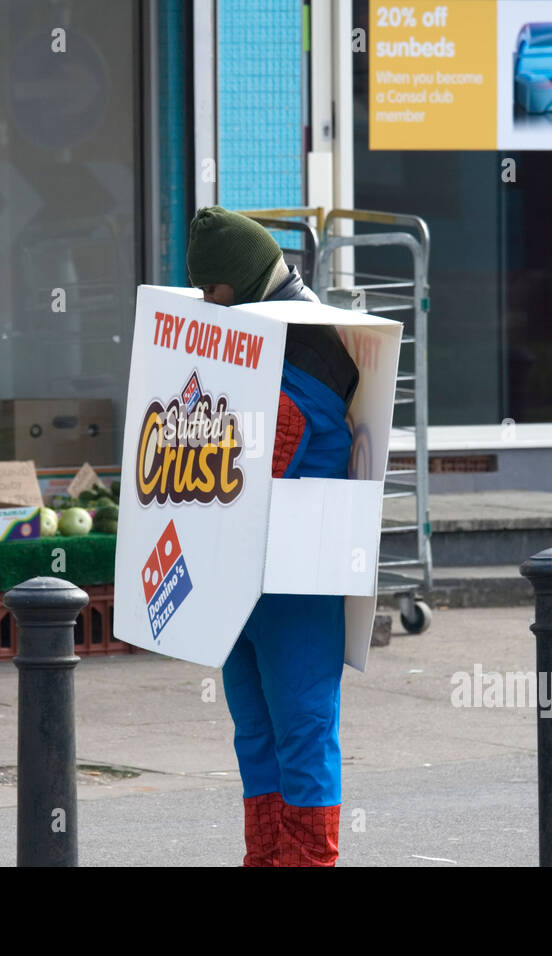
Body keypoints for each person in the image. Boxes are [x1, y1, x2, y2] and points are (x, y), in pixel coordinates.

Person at [186, 206, 359, 866]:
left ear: (243, 280)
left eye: (212, 291)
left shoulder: (310, 344)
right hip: (241, 574)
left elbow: (254, 451)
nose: (206, 304)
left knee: (302, 733)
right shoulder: (248, 333)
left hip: (297, 580)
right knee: (255, 734)